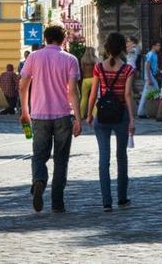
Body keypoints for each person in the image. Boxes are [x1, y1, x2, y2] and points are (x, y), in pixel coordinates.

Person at [19, 25, 82, 213]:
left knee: (39, 155)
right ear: (63, 39)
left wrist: (24, 111)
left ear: (45, 39)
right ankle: (57, 202)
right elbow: (72, 90)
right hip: (63, 115)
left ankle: (38, 181)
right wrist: (78, 118)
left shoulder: (33, 57)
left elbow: (23, 86)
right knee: (61, 160)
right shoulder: (70, 59)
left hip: (39, 115)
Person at [83, 32, 135, 211]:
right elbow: (127, 95)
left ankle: (106, 202)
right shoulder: (128, 69)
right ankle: (122, 198)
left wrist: (89, 114)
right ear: (122, 49)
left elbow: (93, 93)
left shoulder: (98, 67)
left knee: (103, 158)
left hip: (103, 116)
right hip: (121, 116)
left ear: (106, 48)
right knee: (122, 157)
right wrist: (132, 120)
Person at [136, 40, 160, 119]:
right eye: (158, 45)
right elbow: (147, 66)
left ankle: (141, 111)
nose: (159, 47)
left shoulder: (154, 54)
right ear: (153, 46)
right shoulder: (150, 54)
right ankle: (159, 113)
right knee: (156, 93)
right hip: (150, 77)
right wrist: (149, 78)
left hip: (152, 76)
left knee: (148, 94)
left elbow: (153, 66)